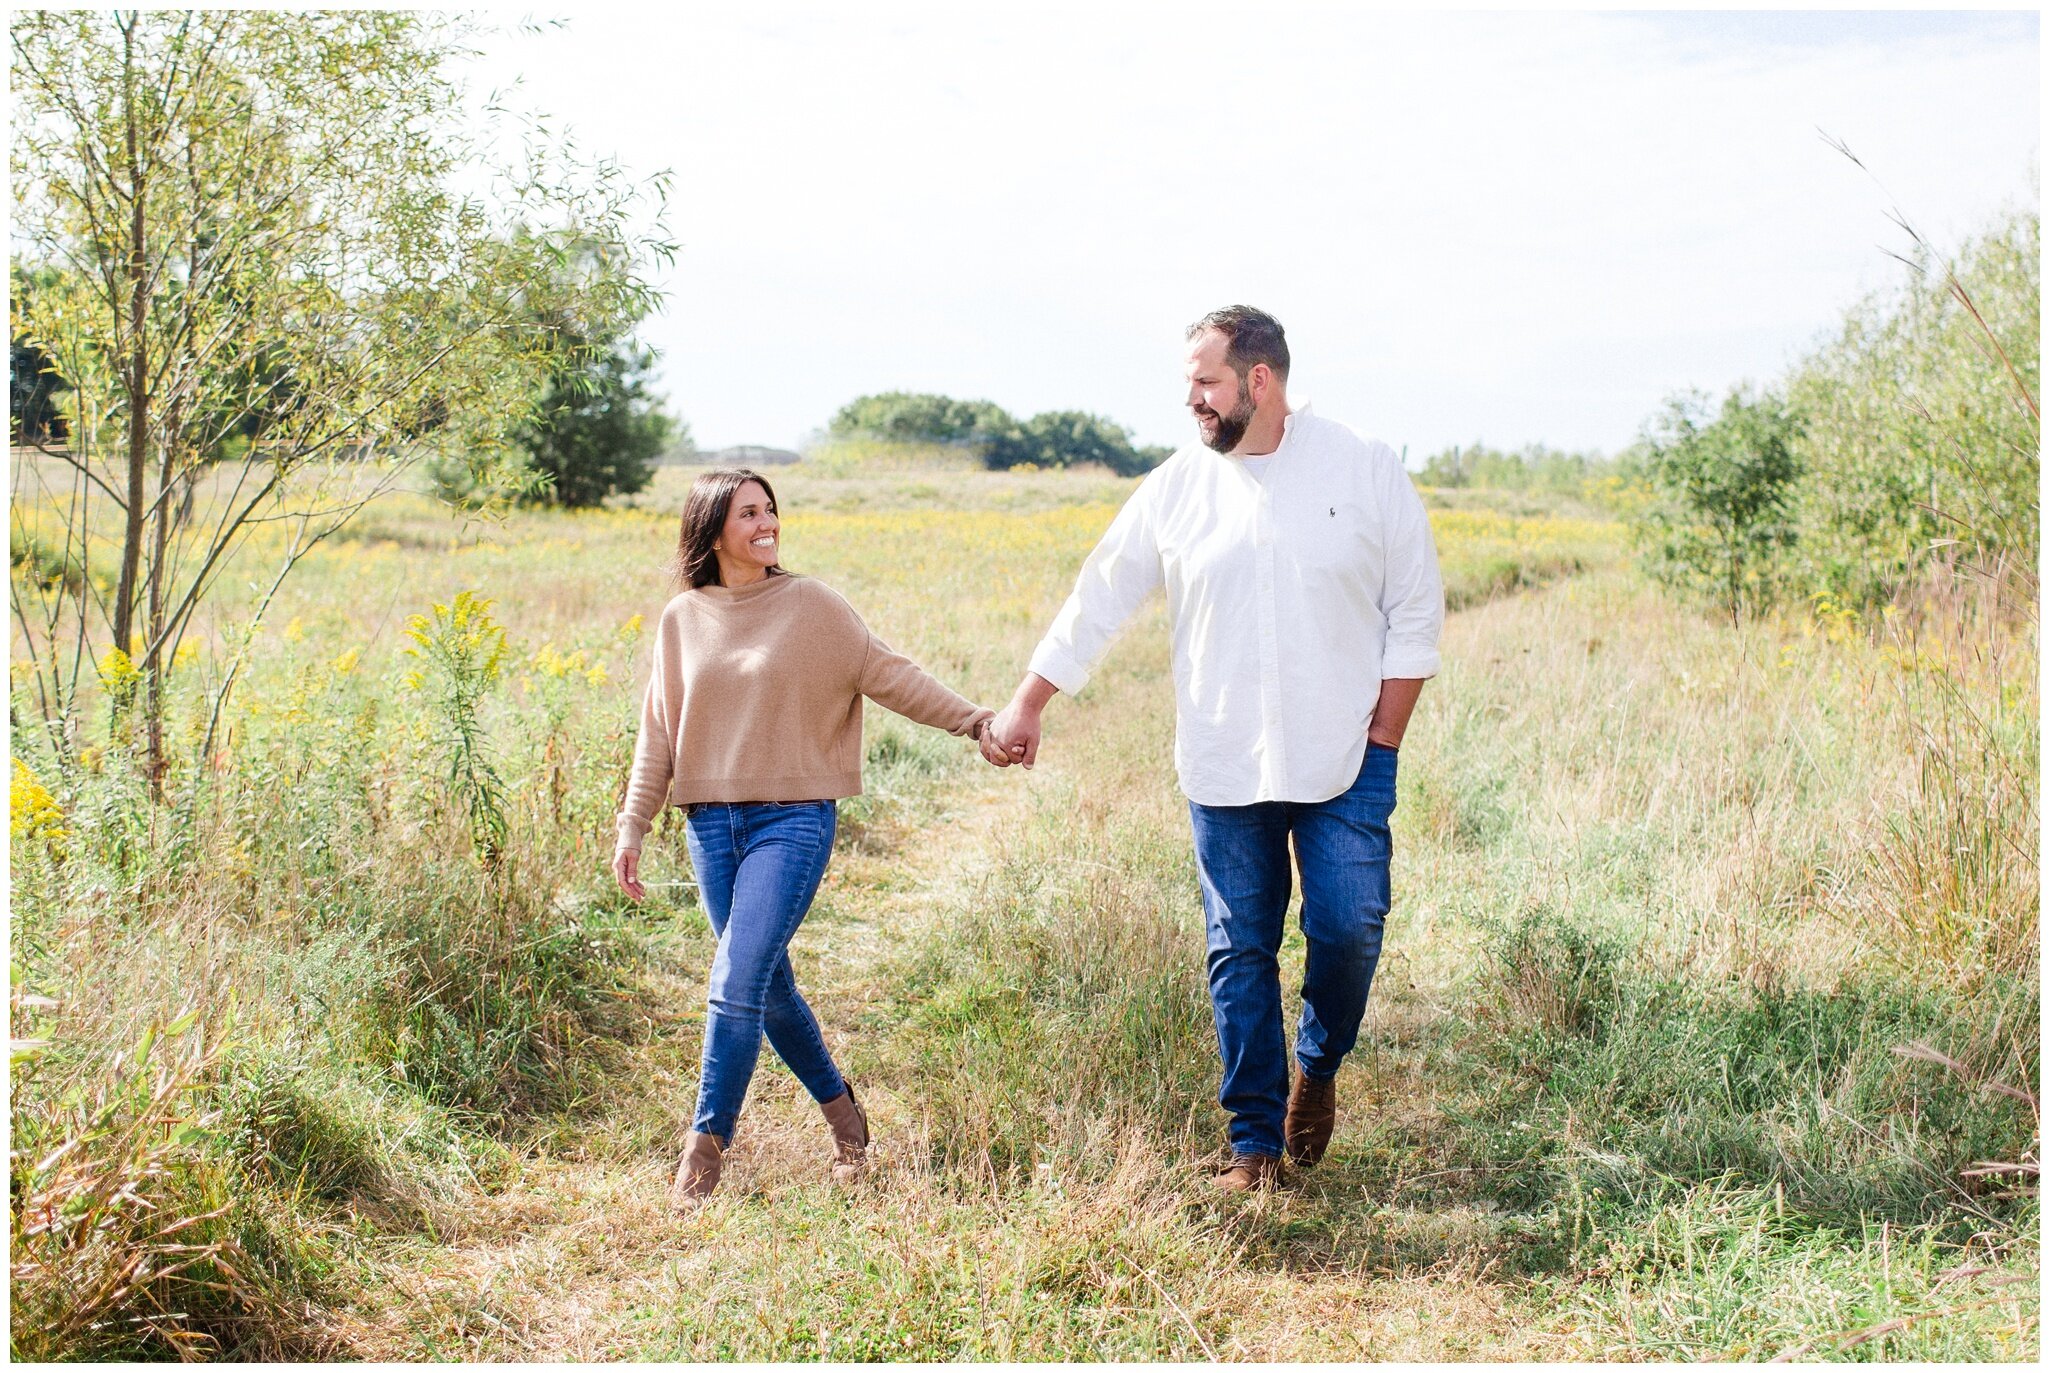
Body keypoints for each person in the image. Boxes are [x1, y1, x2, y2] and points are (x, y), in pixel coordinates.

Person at [987, 306, 1444, 1192]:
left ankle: (1319, 1065)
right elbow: (1101, 594)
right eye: (1190, 384)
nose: (1192, 401)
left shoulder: (1364, 467)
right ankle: (1255, 1144)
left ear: (1259, 381)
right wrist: (1029, 699)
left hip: (1346, 755)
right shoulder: (1175, 487)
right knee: (1239, 947)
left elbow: (1415, 611)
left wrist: (1384, 736)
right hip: (1225, 757)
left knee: (1349, 930)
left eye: (1206, 382)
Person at [613, 467, 1011, 1210]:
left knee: (734, 983)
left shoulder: (812, 605)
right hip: (710, 825)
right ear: (712, 529)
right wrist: (633, 821)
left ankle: (701, 1158)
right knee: (768, 992)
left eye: (771, 510)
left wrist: (978, 721)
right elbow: (658, 733)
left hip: (792, 820)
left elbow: (891, 674)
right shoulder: (683, 618)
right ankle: (845, 1117)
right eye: (749, 514)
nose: (767, 524)